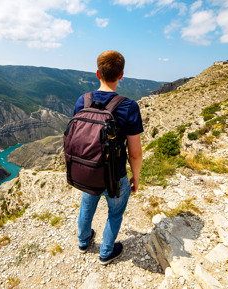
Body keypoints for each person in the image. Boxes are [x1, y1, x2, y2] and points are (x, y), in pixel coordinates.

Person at [73, 50, 143, 265]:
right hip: (115, 175)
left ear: (97, 73)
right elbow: (135, 153)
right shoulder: (129, 106)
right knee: (115, 214)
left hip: (88, 170)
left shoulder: (83, 100)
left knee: (87, 206)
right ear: (121, 75)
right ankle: (106, 252)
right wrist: (136, 177)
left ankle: (84, 242)